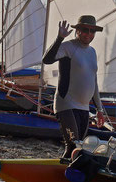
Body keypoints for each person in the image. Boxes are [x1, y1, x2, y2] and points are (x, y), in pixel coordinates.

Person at [42, 15, 105, 159]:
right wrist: (59, 38)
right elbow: (47, 59)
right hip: (66, 103)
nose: (88, 34)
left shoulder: (92, 52)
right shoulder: (68, 47)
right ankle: (64, 171)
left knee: (80, 146)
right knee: (73, 145)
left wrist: (99, 110)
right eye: (85, 30)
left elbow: (93, 82)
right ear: (77, 30)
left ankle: (69, 170)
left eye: (92, 31)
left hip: (84, 108)